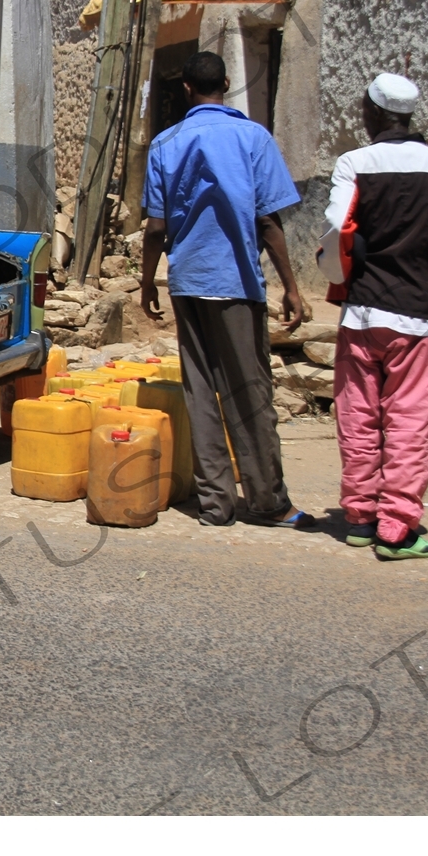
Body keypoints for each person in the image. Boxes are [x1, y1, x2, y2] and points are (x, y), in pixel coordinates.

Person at [140, 50, 313, 529]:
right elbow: (268, 221)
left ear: (187, 90)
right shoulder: (252, 137)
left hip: (188, 282)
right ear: (228, 83)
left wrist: (146, 281)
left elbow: (156, 227)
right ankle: (267, 501)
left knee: (201, 391)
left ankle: (215, 504)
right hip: (235, 283)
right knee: (249, 393)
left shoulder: (166, 142)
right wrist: (291, 286)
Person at [319, 74, 428, 560]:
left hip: (362, 314)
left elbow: (339, 226)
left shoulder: (354, 163)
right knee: (409, 424)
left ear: (373, 112)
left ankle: (359, 517)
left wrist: (338, 275)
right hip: (419, 319)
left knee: (358, 417)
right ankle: (396, 529)